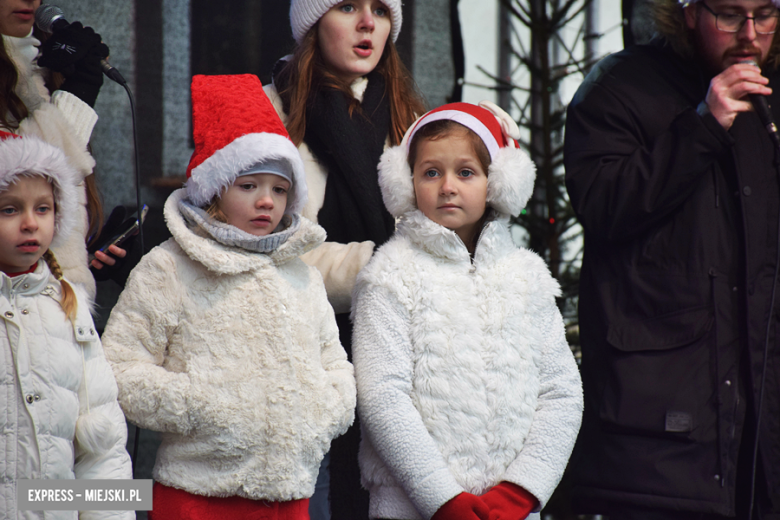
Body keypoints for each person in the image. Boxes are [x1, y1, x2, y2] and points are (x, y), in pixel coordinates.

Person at [101, 74, 356, 520]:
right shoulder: (170, 267)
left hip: (289, 491)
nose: (266, 201)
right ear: (215, 188)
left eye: (279, 189)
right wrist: (197, 404)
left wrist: (323, 409)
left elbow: (334, 365)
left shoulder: (302, 276)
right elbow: (120, 367)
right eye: (248, 185)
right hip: (198, 494)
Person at [564, 0, 780, 517]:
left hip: (763, 436)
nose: (750, 33)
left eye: (766, 13)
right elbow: (604, 205)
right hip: (660, 441)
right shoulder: (619, 87)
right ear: (686, 12)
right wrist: (704, 124)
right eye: (729, 14)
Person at [352, 102, 583, 520]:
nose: (447, 187)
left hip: (508, 512)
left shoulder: (525, 277)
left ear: (497, 183)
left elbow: (562, 393)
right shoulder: (389, 276)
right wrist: (442, 499)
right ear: (405, 184)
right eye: (430, 172)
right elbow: (382, 396)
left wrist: (518, 493)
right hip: (413, 509)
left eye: (465, 172)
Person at [264, 2, 426, 517]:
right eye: (348, 6)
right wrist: (384, 266)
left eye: (381, 10)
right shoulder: (265, 113)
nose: (367, 24)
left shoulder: (414, 122)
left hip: (397, 357)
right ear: (312, 22)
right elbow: (270, 249)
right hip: (293, 360)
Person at [0, 131, 133, 520]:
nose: (29, 223)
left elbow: (103, 445)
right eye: (9, 209)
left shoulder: (68, 305)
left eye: (43, 209)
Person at [1, 0, 127, 299]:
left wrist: (85, 249)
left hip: (62, 316)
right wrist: (76, 97)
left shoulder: (40, 66)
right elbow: (20, 172)